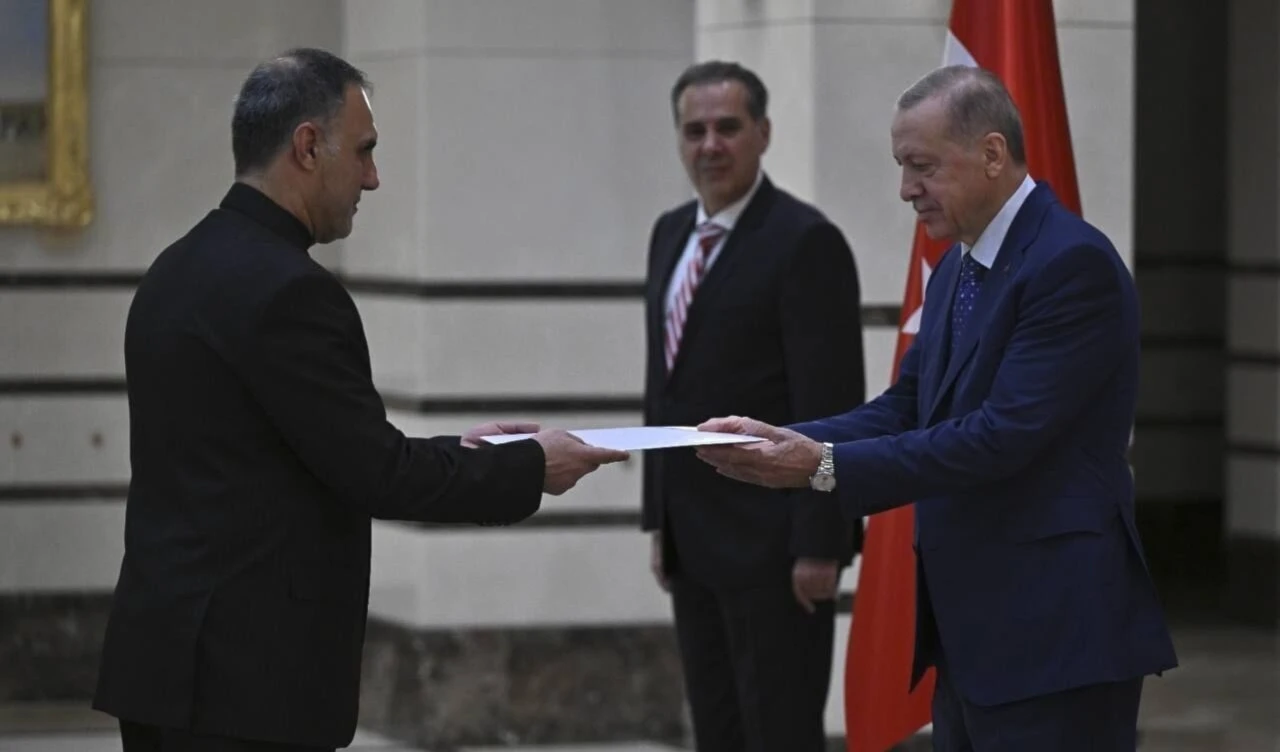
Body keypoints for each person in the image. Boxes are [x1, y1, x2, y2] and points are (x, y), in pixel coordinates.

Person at [92, 48, 628, 752]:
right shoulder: (290, 291)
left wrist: (463, 452)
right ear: (308, 147)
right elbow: (376, 472)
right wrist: (530, 466)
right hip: (246, 685)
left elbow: (306, 450)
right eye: (366, 151)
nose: (373, 179)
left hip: (163, 666)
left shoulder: (176, 268)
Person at [695, 65, 1178, 751]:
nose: (905, 191)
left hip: (1055, 636)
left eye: (920, 167)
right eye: (901, 167)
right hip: (971, 639)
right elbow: (909, 406)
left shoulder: (1072, 265)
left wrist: (823, 466)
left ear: (991, 154)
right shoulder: (956, 265)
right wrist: (781, 438)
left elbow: (999, 437)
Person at [642, 60, 866, 752]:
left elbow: (829, 400)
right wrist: (659, 518)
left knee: (780, 734)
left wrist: (821, 543)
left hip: (777, 552)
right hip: (693, 542)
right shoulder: (670, 233)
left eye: (728, 128)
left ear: (763, 133)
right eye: (695, 130)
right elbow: (664, 385)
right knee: (719, 732)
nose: (710, 144)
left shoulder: (805, 242)